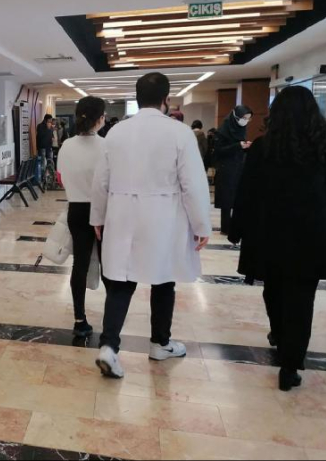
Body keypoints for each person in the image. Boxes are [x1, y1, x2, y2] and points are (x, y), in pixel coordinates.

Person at [90, 72, 211, 379]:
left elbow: (101, 181)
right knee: (163, 278)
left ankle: (109, 347)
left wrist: (97, 218)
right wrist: (202, 224)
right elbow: (193, 184)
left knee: (120, 282)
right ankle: (160, 343)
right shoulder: (180, 133)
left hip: (121, 214)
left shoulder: (116, 133)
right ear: (166, 100)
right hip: (163, 216)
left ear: (137, 97)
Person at [229, 86, 326, 392]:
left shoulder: (264, 148)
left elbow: (247, 192)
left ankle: (279, 333)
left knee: (274, 290)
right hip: (311, 236)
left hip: (269, 234)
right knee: (302, 299)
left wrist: (237, 228)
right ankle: (290, 364)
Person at [58, 96, 107, 338]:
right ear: (100, 119)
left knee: (80, 265)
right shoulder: (106, 146)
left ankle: (80, 319)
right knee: (109, 266)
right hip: (103, 211)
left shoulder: (66, 145)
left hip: (75, 210)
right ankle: (112, 317)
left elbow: (61, 177)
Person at [215, 105, 253, 235]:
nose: (245, 121)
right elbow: (219, 150)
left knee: (238, 197)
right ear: (236, 117)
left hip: (239, 167)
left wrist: (245, 147)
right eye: (244, 118)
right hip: (226, 169)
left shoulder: (241, 129)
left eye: (248, 118)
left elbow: (239, 148)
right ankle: (225, 227)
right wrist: (238, 145)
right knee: (226, 199)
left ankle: (236, 226)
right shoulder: (223, 131)